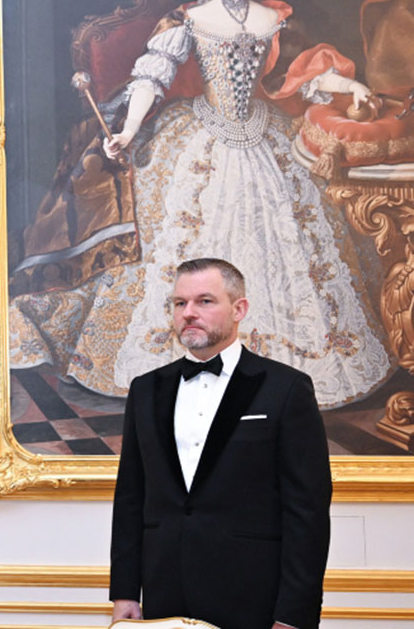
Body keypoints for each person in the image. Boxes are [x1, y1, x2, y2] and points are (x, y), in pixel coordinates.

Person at [10, 0, 391, 409]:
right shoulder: (188, 19)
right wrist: (128, 129)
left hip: (265, 132)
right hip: (200, 132)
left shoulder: (275, 18)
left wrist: (351, 85)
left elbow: (303, 74)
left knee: (295, 233)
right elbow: (153, 77)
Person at [109, 258, 332, 629]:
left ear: (238, 309)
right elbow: (130, 497)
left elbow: (306, 511)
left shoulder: (287, 388)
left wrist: (294, 614)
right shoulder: (145, 389)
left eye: (205, 301)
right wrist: (125, 592)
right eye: (180, 303)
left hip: (254, 598)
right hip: (164, 593)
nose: (188, 313)